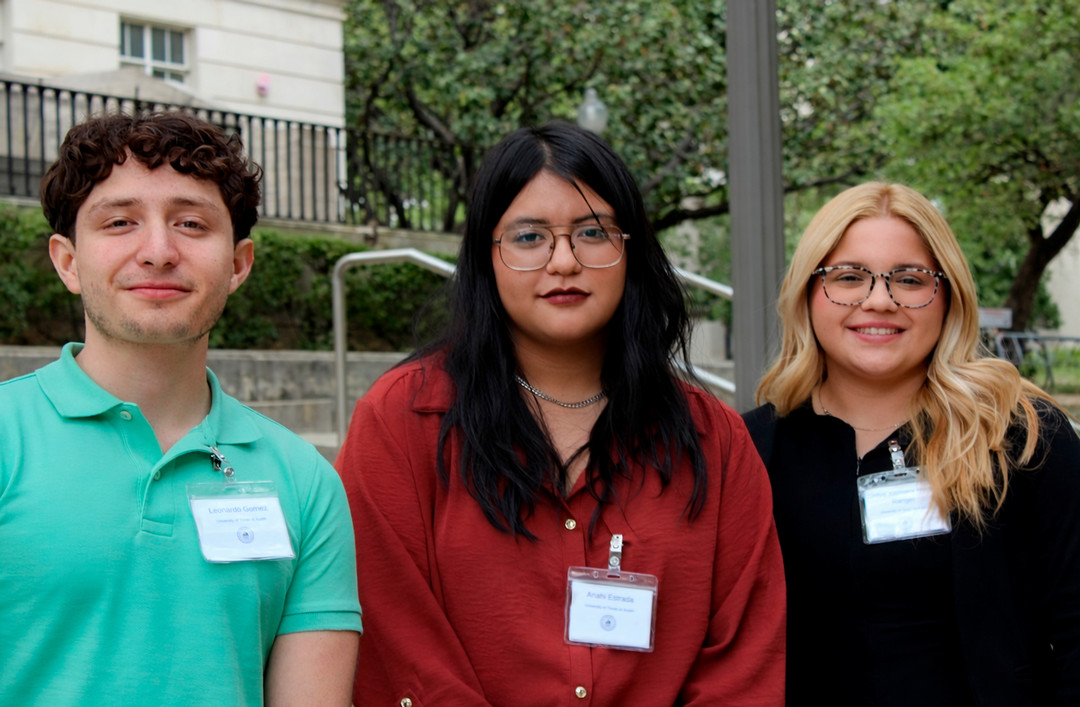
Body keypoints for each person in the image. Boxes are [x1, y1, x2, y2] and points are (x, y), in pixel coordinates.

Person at [336, 121, 785, 706]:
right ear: (487, 256)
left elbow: (743, 661)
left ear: (630, 250)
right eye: (529, 237)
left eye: (593, 232)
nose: (564, 261)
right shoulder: (403, 419)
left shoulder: (712, 438)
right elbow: (393, 633)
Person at [0, 111, 363, 704]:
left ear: (238, 264)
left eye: (191, 223)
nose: (158, 252)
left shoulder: (306, 481)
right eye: (120, 222)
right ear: (68, 262)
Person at [743, 182, 1080, 705]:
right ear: (807, 293)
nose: (880, 300)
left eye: (910, 279)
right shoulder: (750, 451)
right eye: (848, 277)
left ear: (948, 296)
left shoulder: (1023, 438)